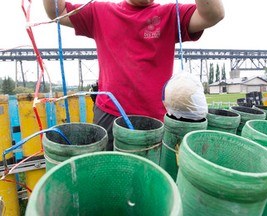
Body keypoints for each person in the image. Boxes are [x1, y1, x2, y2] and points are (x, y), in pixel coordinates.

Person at [42, 0, 225, 150]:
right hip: (109, 116)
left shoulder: (170, 14)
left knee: (149, 181)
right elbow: (57, 11)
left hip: (156, 121)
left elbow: (212, 14)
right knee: (109, 175)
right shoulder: (100, 12)